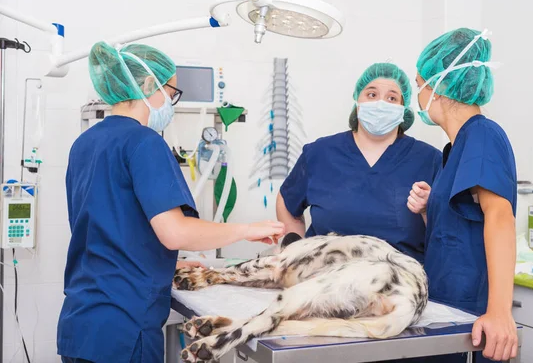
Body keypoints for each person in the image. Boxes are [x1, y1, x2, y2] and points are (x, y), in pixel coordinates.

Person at [57, 42, 284, 363]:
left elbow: (106, 231)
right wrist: (247, 229)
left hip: (81, 323)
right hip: (124, 327)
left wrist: (164, 264)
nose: (171, 103)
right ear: (149, 85)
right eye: (171, 93)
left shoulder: (85, 143)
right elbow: (175, 233)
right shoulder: (143, 142)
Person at [409, 28, 518, 362]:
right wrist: (432, 208)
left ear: (439, 85)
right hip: (448, 306)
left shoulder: (481, 135)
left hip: (472, 316)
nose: (418, 93)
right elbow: (465, 222)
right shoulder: (455, 147)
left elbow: (500, 215)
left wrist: (500, 312)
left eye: (418, 84)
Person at [276, 63, 442, 264]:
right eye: (371, 95)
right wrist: (298, 256)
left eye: (392, 98)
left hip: (396, 284)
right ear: (357, 101)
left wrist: (427, 210)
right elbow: (287, 203)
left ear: (403, 108)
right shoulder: (320, 153)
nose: (381, 104)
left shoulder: (429, 160)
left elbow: (446, 230)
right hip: (323, 280)